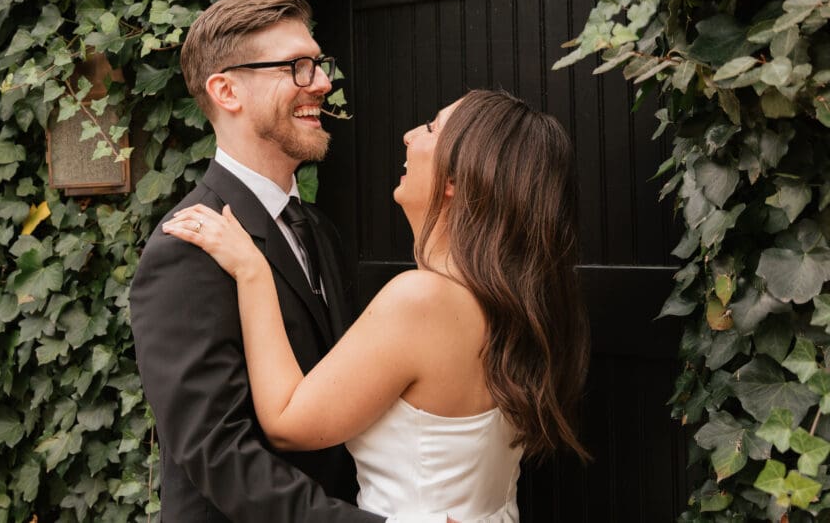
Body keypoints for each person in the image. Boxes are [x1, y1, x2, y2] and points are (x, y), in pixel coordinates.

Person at [163, 89, 591, 522]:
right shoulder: (522, 299)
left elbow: (285, 421)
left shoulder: (422, 300)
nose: (408, 136)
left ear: (455, 179)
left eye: (430, 128)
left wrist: (252, 271)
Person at [128, 0, 388, 522]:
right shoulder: (186, 247)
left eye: (318, 64)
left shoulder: (318, 230)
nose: (321, 82)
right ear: (226, 90)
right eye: (296, 66)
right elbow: (220, 456)